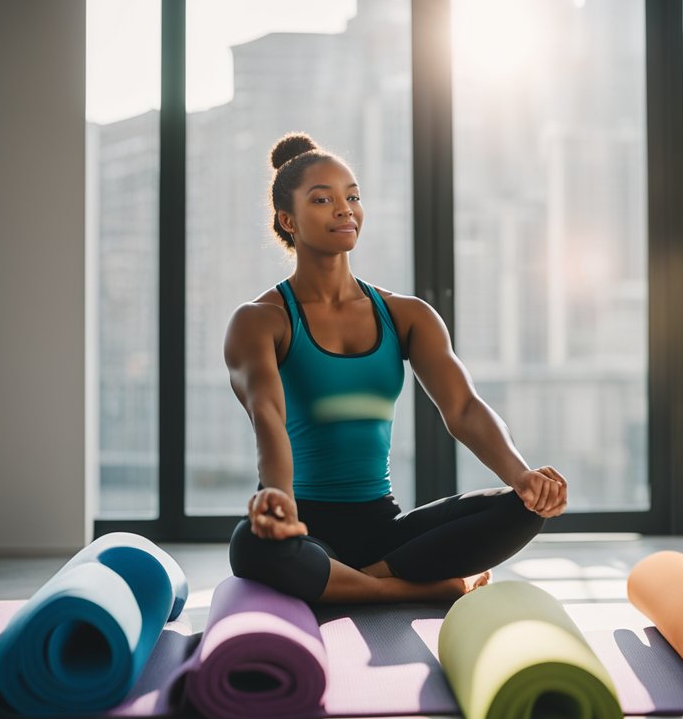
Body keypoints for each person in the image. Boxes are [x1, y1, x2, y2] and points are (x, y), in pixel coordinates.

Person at [226, 132, 568, 604]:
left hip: (384, 530)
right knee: (252, 546)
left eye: (353, 197)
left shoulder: (407, 315)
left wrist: (523, 476)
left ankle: (354, 581)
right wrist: (280, 499)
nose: (345, 209)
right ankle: (413, 588)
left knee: (526, 508)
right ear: (288, 220)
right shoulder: (261, 320)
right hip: (300, 525)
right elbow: (268, 416)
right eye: (322, 199)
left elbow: (464, 408)